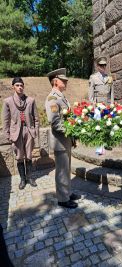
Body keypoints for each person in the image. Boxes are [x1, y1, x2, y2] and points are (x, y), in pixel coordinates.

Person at [45, 68, 80, 209]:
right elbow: (54, 122)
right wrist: (71, 131)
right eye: (63, 80)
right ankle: (62, 199)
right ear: (55, 81)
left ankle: (67, 192)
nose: (66, 81)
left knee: (66, 169)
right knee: (61, 170)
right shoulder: (52, 98)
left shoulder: (61, 96)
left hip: (65, 140)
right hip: (60, 140)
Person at [2, 77, 39, 190]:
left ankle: (30, 177)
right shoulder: (7, 101)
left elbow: (36, 118)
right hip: (16, 132)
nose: (20, 87)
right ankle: (23, 179)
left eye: (21, 85)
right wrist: (8, 135)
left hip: (28, 131)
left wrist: (35, 131)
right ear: (13, 87)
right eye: (17, 85)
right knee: (19, 157)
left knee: (28, 156)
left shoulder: (30, 100)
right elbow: (5, 120)